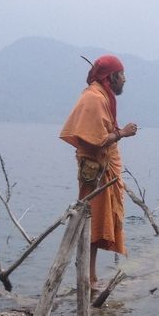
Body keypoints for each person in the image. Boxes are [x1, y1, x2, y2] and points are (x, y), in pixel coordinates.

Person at [60, 54, 138, 286]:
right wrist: (122, 133)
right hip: (95, 171)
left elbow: (101, 134)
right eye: (121, 75)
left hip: (102, 168)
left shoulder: (101, 96)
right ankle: (87, 278)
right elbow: (96, 139)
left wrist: (119, 134)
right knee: (90, 219)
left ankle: (90, 277)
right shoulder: (94, 98)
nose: (125, 79)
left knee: (95, 218)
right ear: (111, 77)